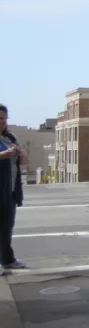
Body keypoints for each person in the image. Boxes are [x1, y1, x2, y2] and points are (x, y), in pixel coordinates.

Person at [0, 104, 27, 271]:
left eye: (4, 118)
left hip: (10, 190)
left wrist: (22, 154)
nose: (3, 122)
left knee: (7, 226)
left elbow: (22, 164)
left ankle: (7, 259)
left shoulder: (10, 138)